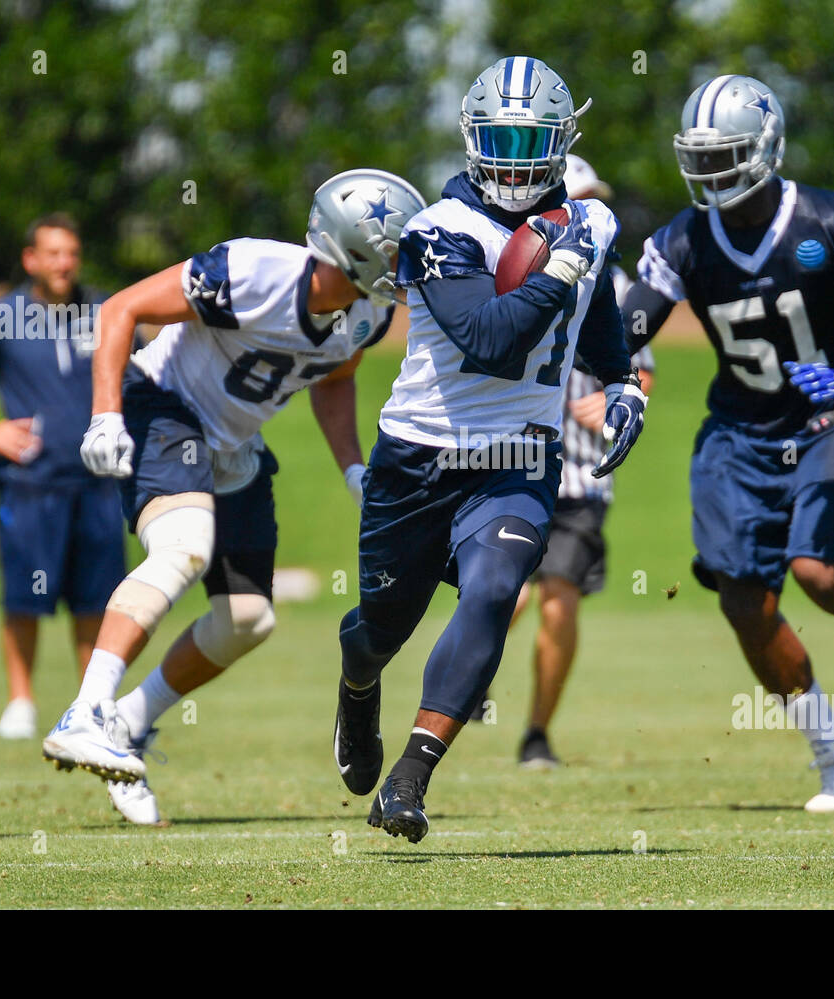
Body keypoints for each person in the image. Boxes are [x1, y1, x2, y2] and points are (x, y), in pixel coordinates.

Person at [40, 169, 425, 825]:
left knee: (248, 618)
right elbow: (121, 309)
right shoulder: (254, 271)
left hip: (233, 442)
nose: (404, 265)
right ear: (354, 247)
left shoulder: (369, 311)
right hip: (164, 405)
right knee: (184, 546)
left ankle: (128, 722)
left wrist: (353, 469)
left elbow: (336, 377)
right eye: (393, 248)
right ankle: (87, 708)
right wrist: (105, 414)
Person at [332, 57, 646, 843]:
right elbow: (489, 341)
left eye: (528, 139)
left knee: (495, 589)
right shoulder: (439, 229)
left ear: (560, 142)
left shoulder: (593, 223)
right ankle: (358, 680)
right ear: (472, 139)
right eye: (499, 137)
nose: (511, 156)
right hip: (421, 457)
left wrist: (623, 387)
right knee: (380, 627)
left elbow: (600, 321)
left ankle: (410, 778)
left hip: (518, 455)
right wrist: (559, 271)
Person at [624, 75, 834, 812]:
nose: (711, 171)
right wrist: (618, 376)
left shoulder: (831, 221)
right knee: (743, 601)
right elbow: (628, 327)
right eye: (701, 156)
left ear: (765, 147)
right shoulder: (682, 241)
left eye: (726, 154)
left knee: (822, 576)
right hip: (740, 430)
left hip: (833, 419)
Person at [0, 214, 120, 740]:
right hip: (30, 485)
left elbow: (151, 371)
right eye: (53, 253)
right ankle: (21, 701)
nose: (64, 264)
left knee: (97, 602)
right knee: (24, 597)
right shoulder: (0, 317)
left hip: (97, 482)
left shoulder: (107, 312)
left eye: (72, 253)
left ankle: (91, 706)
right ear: (30, 259)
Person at [500, 153, 654, 769]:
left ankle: (536, 732)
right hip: (511, 461)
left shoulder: (613, 285)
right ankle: (466, 684)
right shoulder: (509, 266)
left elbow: (641, 374)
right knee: (501, 595)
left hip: (579, 476)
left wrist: (619, 402)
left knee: (558, 595)